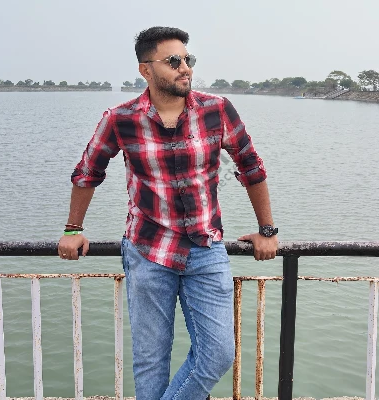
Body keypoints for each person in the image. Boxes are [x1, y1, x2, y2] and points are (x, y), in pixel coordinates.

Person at [58, 26, 278, 400]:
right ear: (146, 69)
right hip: (147, 251)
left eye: (188, 59)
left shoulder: (217, 110)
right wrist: (72, 230)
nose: (185, 68)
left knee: (218, 354)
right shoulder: (120, 118)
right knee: (150, 361)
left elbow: (251, 166)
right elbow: (87, 172)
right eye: (173, 61)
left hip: (205, 249)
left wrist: (267, 230)